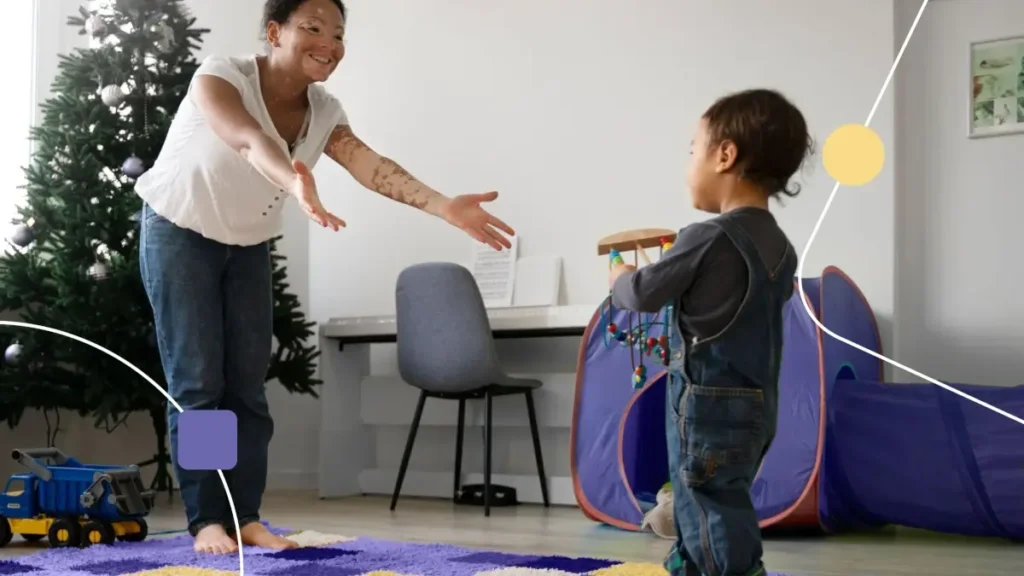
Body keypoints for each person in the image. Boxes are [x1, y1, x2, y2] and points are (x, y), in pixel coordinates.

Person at [136, 0, 515, 555]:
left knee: (246, 388)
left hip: (244, 245)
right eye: (312, 28)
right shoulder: (222, 75)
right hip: (178, 232)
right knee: (199, 385)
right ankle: (207, 519)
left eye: (338, 33)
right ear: (274, 32)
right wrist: (293, 182)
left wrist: (443, 207)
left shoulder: (325, 111)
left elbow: (371, 167)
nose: (330, 44)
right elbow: (245, 138)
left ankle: (247, 516)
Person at [608, 88, 812, 576]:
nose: (689, 163)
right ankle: (692, 565)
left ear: (725, 155)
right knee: (718, 494)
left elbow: (641, 294)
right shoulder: (781, 247)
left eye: (693, 150)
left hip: (705, 404)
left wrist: (618, 279)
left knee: (704, 498)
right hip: (758, 403)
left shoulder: (706, 236)